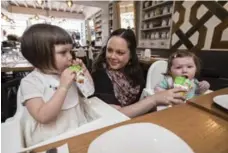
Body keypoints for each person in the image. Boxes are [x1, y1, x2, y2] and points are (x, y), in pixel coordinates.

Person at [19, 24, 97, 147]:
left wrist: (84, 72)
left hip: (77, 127)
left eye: (70, 51)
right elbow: (43, 116)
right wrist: (63, 87)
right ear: (41, 56)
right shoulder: (31, 82)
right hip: (51, 139)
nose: (70, 56)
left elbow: (89, 91)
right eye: (63, 52)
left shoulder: (69, 71)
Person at [92, 28, 186, 118]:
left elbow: (141, 100)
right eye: (109, 50)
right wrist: (154, 99)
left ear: (131, 55)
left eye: (120, 52)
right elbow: (114, 114)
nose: (112, 56)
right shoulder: (100, 74)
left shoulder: (135, 71)